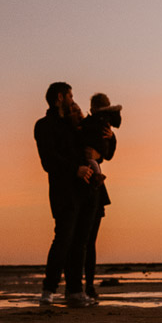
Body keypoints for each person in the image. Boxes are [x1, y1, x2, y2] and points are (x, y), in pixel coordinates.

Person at [33, 82, 95, 308]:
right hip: (63, 193)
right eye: (70, 95)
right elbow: (48, 160)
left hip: (84, 191)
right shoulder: (44, 126)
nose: (72, 99)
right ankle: (48, 290)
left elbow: (99, 143)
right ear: (60, 97)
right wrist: (74, 169)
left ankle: (75, 291)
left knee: (80, 242)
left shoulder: (73, 125)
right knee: (63, 240)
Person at [79, 94, 122, 303]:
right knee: (83, 241)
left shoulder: (101, 126)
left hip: (95, 188)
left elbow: (108, 154)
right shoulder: (84, 126)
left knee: (90, 241)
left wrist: (111, 138)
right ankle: (81, 286)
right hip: (83, 185)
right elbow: (90, 152)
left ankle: (87, 286)